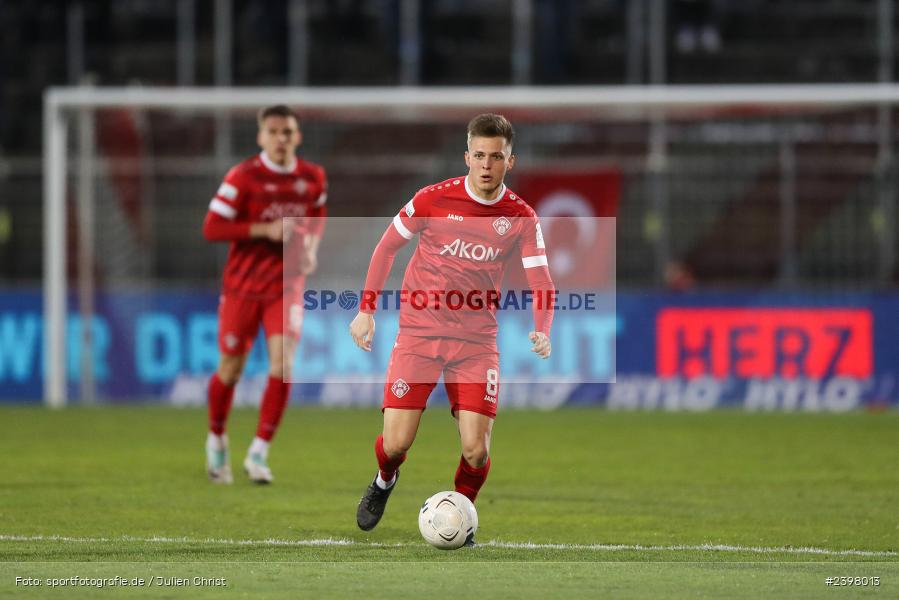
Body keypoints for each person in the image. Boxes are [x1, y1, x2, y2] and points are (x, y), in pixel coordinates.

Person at [349, 114, 554, 545]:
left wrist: (543, 327)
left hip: (476, 344)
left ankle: (461, 515)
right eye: (478, 155)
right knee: (397, 443)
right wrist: (365, 310)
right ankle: (384, 480)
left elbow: (541, 280)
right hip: (419, 337)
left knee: (476, 450)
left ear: (509, 161)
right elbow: (387, 247)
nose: (486, 165)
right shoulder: (431, 200)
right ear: (466, 156)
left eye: (495, 157)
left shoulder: (520, 216)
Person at [202, 105, 327, 484]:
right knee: (231, 369)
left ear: (297, 136)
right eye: (272, 132)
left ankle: (258, 451)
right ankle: (217, 435)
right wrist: (263, 230)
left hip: (285, 287)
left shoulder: (312, 177)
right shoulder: (243, 177)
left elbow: (318, 216)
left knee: (283, 365)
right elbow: (212, 228)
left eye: (287, 131)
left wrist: (311, 249)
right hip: (242, 287)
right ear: (261, 137)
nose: (280, 138)